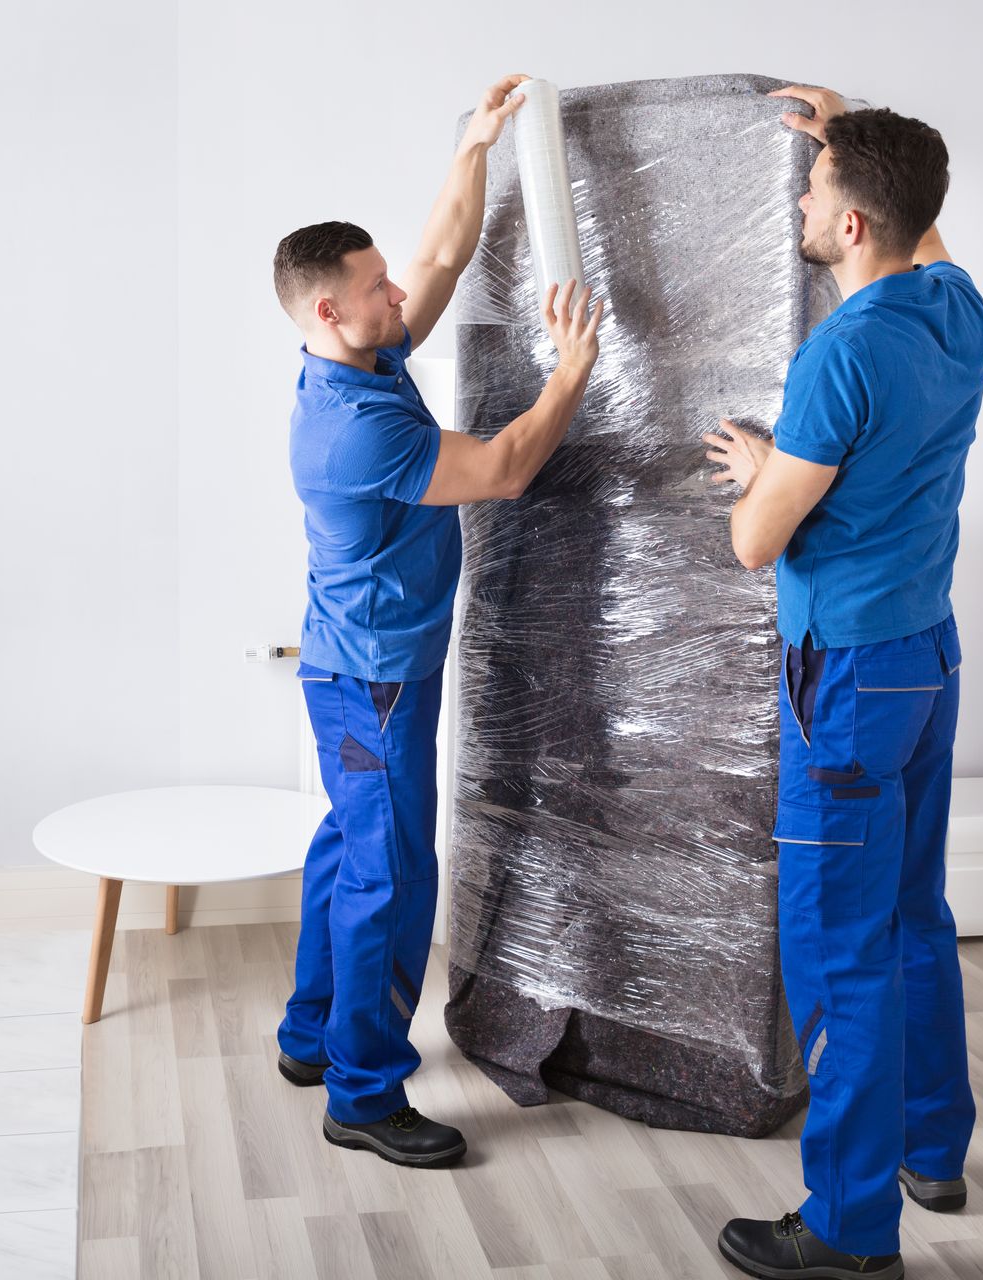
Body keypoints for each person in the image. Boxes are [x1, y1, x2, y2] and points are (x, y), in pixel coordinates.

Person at [270, 73, 604, 1168]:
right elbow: (505, 467)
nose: (396, 296)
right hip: (376, 677)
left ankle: (313, 1033)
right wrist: (572, 375)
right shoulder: (354, 427)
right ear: (329, 309)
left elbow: (443, 255)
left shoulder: (359, 356)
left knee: (348, 849)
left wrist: (477, 148)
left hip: (354, 667)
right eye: (374, 288)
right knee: (393, 872)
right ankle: (364, 1091)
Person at [704, 84, 983, 1280]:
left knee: (842, 951)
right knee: (915, 912)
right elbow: (923, 226)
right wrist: (844, 131)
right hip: (927, 657)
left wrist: (763, 464)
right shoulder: (956, 307)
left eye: (816, 188)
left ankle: (850, 1229)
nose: (804, 202)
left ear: (854, 225)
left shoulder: (840, 353)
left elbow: (756, 541)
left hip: (849, 679)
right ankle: (934, 1148)